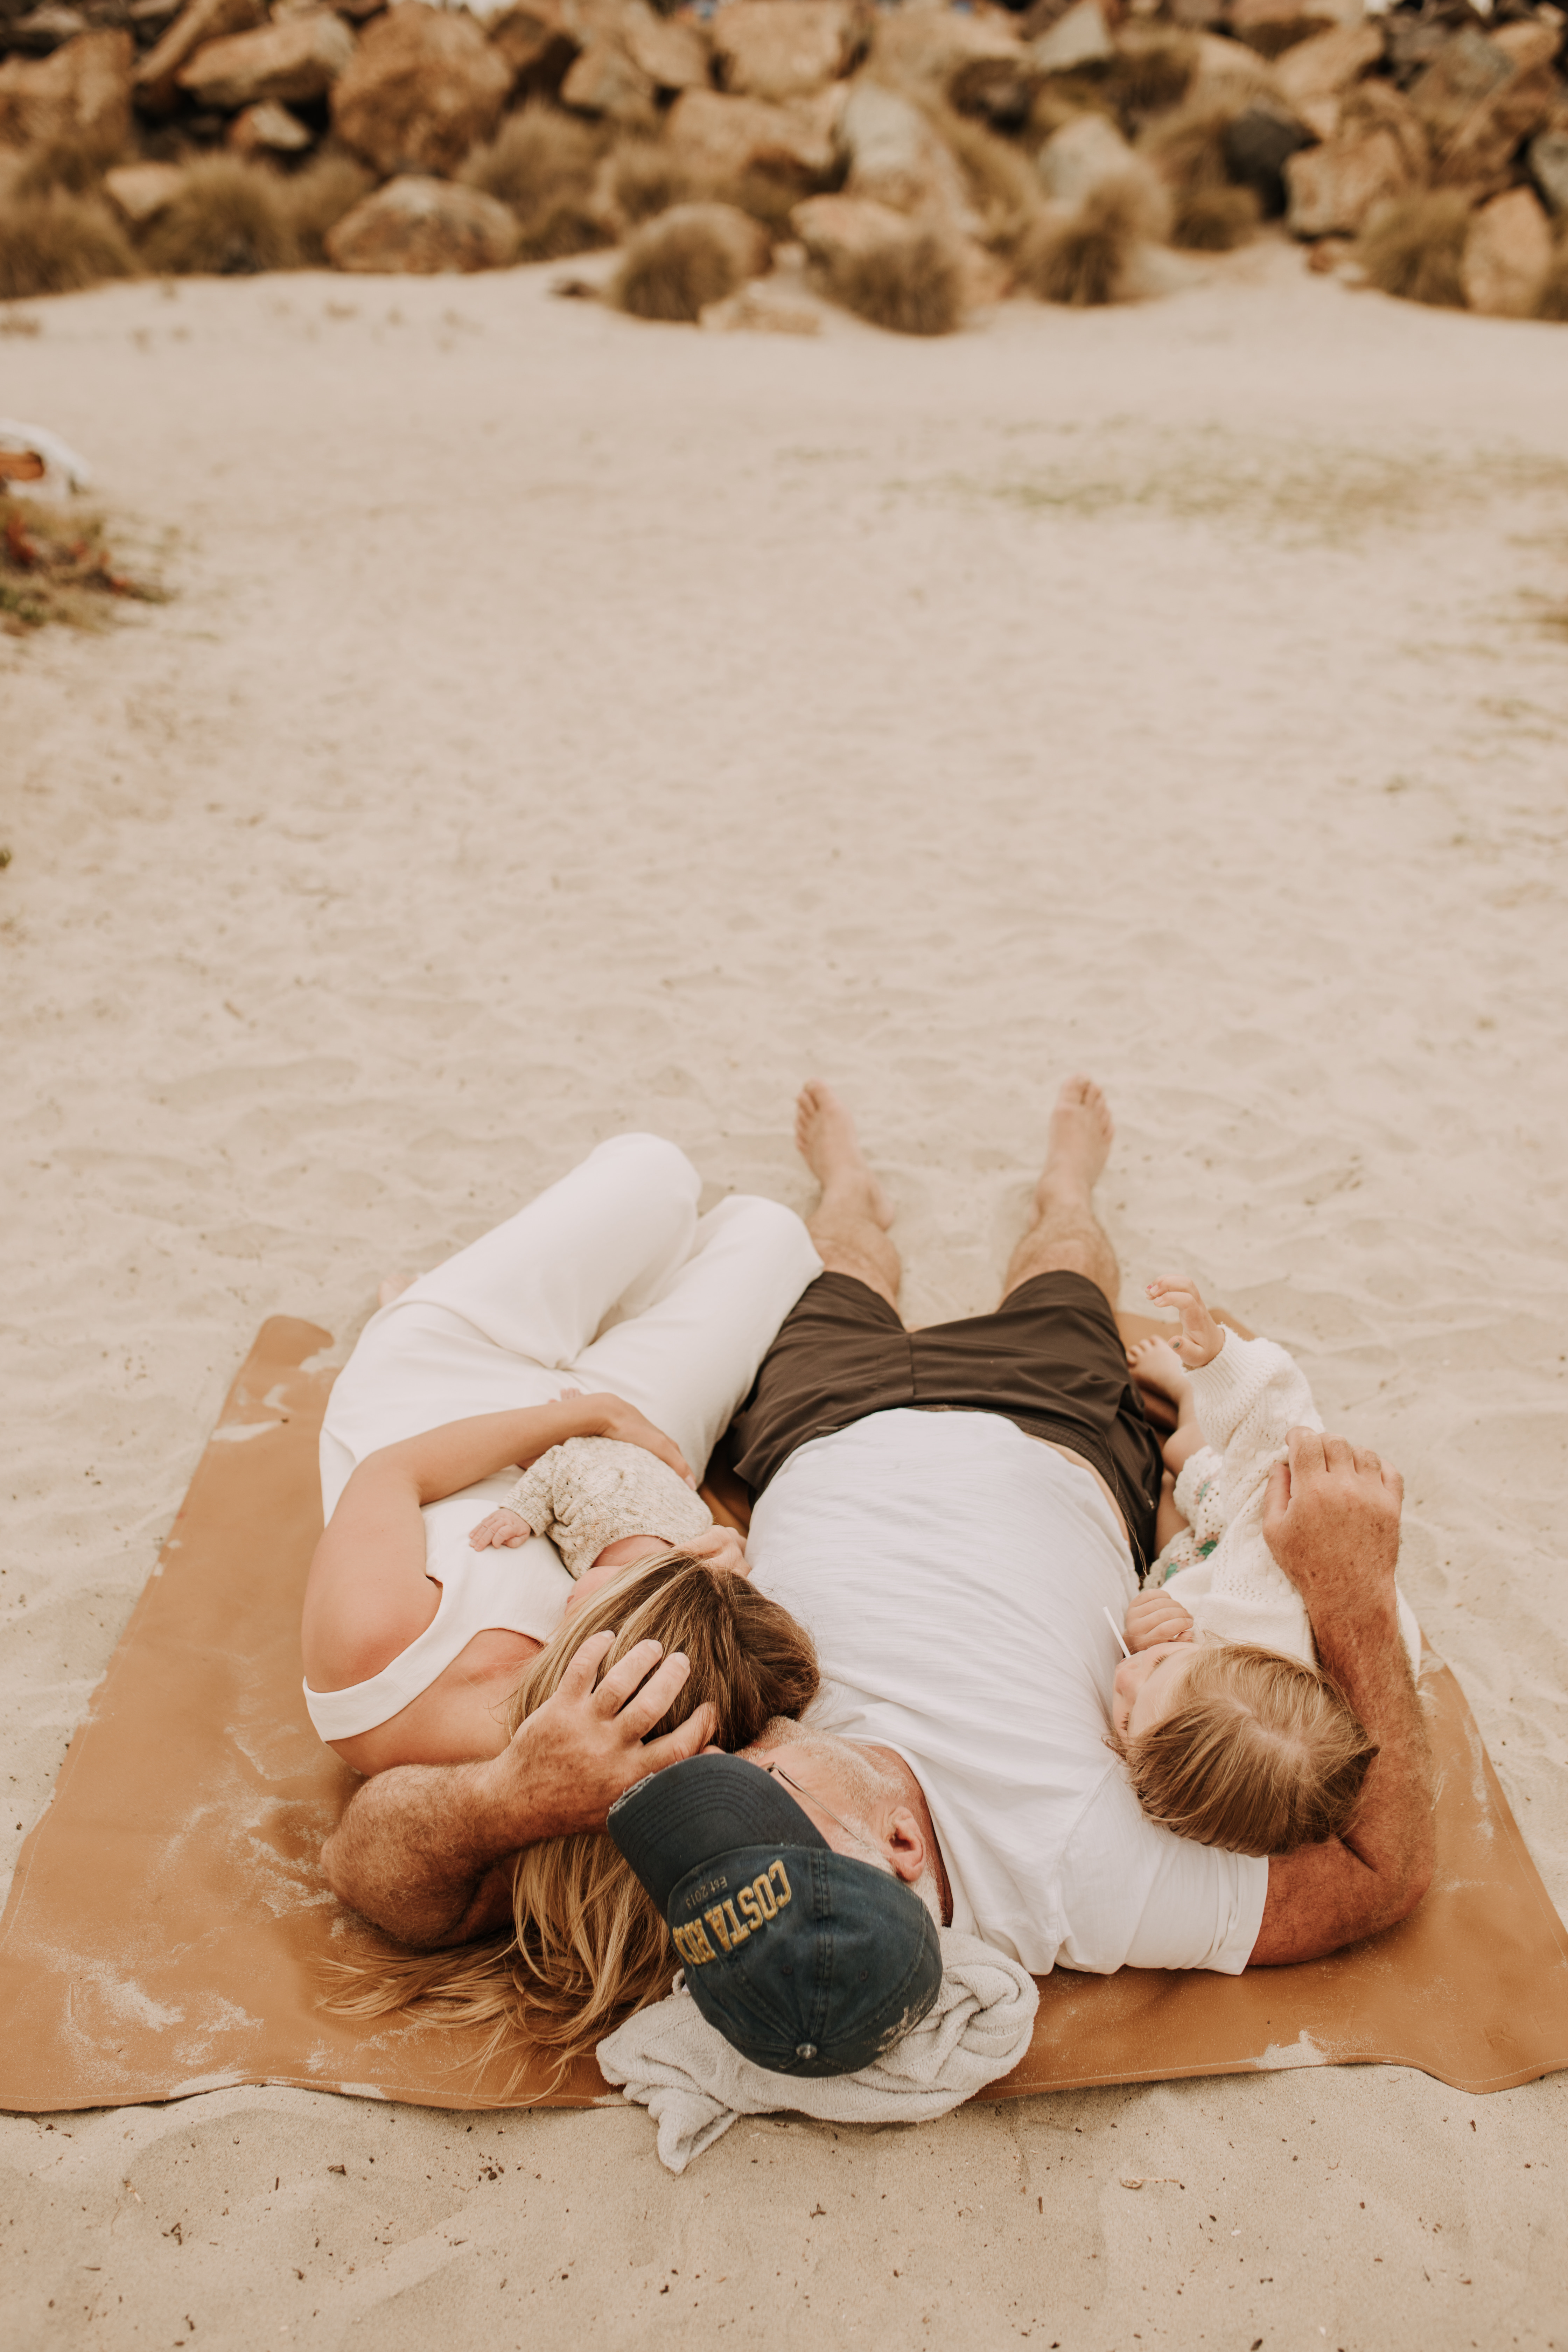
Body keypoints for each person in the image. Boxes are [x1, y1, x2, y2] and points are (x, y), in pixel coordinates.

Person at [321, 1079, 1435, 2079]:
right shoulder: (1078, 1872)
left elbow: (371, 1867)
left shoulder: (718, 1874)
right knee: (1066, 1268)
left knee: (842, 1261)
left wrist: (508, 1797)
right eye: (769, 1788)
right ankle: (1067, 1182)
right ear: (901, 1850)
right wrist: (1352, 1602)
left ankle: (848, 1181)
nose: (733, 1758)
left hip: (821, 1424)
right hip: (1049, 1435)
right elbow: (1379, 1875)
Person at [301, 1129, 822, 1776]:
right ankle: (594, 1306)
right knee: (762, 1227)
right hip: (617, 1464)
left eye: (619, 1589)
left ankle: (444, 1304)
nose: (593, 1585)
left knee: (660, 1172)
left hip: (448, 1380)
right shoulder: (657, 1664)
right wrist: (713, 1576)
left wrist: (591, 1412)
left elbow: (393, 1473)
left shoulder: (379, 1654)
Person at [1102, 1274, 1426, 1856]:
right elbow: (1276, 1441)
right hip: (1238, 1535)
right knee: (1189, 1461)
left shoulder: (1257, 1767)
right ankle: (1180, 1390)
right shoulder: (1262, 1599)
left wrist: (1155, 1626)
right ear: (1234, 1649)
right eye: (1157, 1666)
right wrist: (1222, 1362)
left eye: (1127, 1721)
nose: (1124, 1677)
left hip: (1203, 1576)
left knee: (1163, 1525)